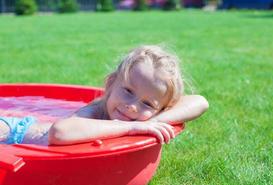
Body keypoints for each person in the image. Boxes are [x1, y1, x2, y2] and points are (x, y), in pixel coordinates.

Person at [0, 45, 209, 146]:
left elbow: (200, 102)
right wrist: (134, 126)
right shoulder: (96, 110)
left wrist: (152, 121)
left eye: (147, 103)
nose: (133, 107)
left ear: (161, 108)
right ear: (110, 84)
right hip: (13, 133)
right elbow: (59, 132)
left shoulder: (144, 117)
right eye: (128, 91)